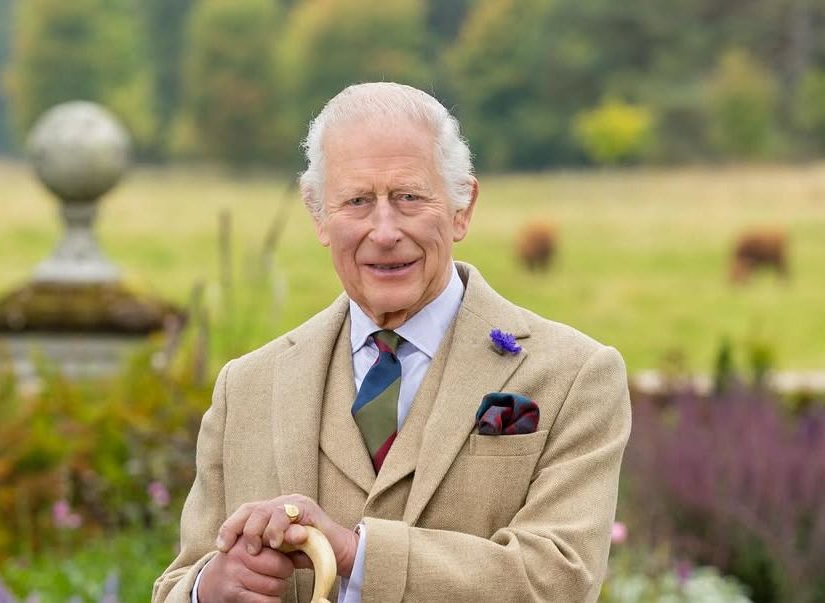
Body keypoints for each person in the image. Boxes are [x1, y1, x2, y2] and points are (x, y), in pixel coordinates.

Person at [153, 82, 631, 603]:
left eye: (408, 197)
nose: (383, 230)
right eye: (357, 201)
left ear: (461, 208)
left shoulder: (576, 376)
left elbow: (557, 580)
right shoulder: (245, 387)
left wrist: (356, 555)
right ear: (318, 216)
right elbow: (179, 580)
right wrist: (208, 589)